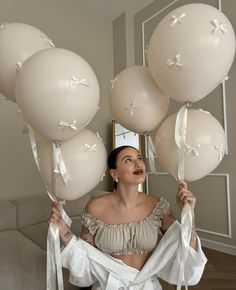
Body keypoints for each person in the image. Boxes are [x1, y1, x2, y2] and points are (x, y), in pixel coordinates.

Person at [49, 145, 207, 290]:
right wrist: (64, 231)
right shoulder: (95, 208)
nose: (138, 164)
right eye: (128, 160)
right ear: (114, 174)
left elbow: (185, 247)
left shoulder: (158, 206)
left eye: (139, 158)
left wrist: (189, 213)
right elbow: (85, 257)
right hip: (108, 286)